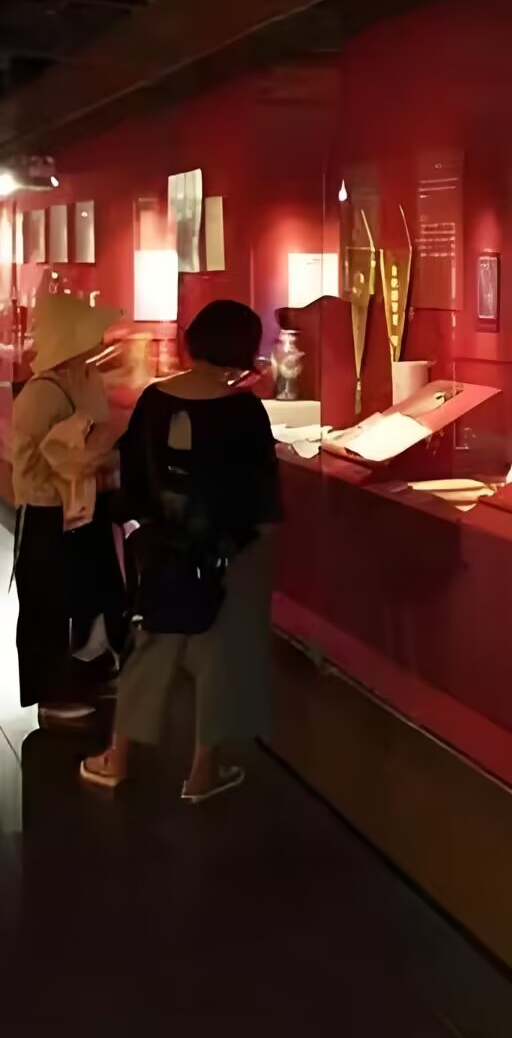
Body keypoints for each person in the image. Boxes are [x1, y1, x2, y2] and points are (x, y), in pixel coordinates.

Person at [81, 300, 281, 802]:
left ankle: (117, 758)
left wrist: (143, 535)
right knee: (222, 658)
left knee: (151, 646)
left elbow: (133, 478)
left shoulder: (155, 400)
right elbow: (260, 494)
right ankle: (202, 773)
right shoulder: (244, 411)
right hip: (231, 552)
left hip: (164, 548)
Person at [9, 292, 127, 726]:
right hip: (46, 510)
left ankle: (89, 669)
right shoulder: (44, 393)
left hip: (80, 507)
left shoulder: (80, 378)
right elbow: (65, 458)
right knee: (47, 604)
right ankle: (50, 694)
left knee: (90, 589)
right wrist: (106, 451)